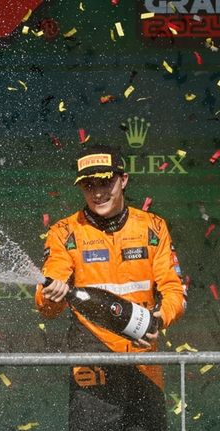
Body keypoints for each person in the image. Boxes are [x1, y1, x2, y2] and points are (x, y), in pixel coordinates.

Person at [36, 145, 186, 431]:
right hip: (92, 365)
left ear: (124, 180)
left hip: (144, 364)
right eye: (88, 185)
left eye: (105, 181)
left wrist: (159, 319)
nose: (98, 192)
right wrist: (51, 295)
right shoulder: (64, 232)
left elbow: (174, 290)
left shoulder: (153, 227)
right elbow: (46, 305)